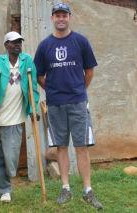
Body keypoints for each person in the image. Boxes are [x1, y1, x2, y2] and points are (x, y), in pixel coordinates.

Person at [34, 2, 103, 209]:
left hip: (78, 103)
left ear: (69, 17)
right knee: (61, 146)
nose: (61, 19)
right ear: (52, 18)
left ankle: (87, 190)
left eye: (64, 15)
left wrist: (79, 89)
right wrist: (53, 89)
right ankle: (65, 188)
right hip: (55, 104)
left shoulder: (80, 41)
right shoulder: (45, 45)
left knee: (81, 147)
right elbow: (39, 75)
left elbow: (89, 70)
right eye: (57, 15)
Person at [0, 31, 39, 203]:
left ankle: (6, 182)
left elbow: (34, 87)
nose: (17, 45)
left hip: (15, 119)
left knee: (11, 157)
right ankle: (4, 190)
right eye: (13, 42)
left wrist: (32, 108)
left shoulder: (27, 61)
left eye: (19, 42)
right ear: (6, 45)